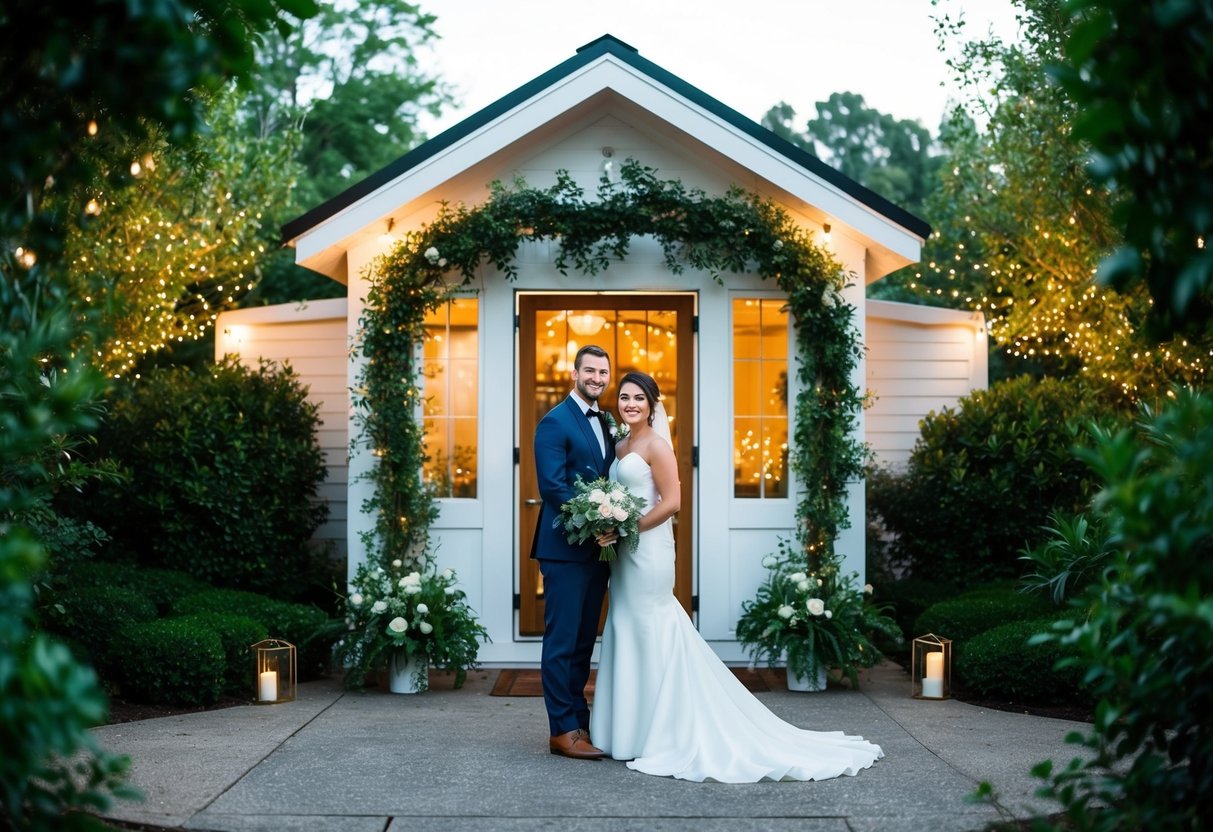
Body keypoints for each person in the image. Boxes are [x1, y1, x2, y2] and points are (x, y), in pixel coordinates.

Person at [589, 370, 885, 782]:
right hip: (623, 556)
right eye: (624, 397)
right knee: (624, 625)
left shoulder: (656, 445)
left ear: (653, 403)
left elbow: (673, 501)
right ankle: (626, 731)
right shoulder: (620, 444)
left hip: (650, 552)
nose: (631, 404)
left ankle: (661, 731)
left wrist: (626, 527)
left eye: (639, 397)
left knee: (650, 627)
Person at [531, 344, 615, 760]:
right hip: (565, 549)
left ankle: (578, 722)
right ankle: (561, 731)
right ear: (575, 373)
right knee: (562, 641)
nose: (597, 378)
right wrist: (599, 520)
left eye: (603, 372)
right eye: (590, 371)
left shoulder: (607, 420)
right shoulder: (554, 422)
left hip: (598, 552)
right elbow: (553, 487)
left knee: (584, 642)